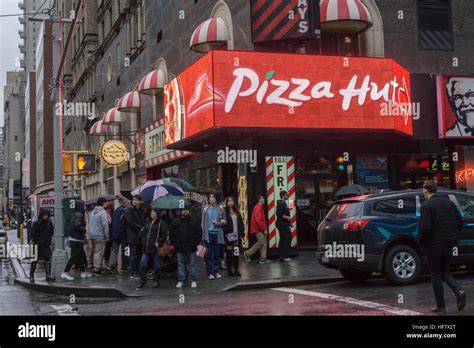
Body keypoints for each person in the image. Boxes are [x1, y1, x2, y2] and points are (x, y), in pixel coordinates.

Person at [420, 180, 466, 313]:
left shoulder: (426, 206)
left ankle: (441, 306)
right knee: (445, 272)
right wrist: (453, 236)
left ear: (425, 190)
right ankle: (458, 291)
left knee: (435, 274)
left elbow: (426, 227)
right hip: (449, 243)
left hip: (434, 245)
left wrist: (422, 242)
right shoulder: (449, 203)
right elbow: (460, 221)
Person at [169, 206, 202, 288]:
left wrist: (196, 243)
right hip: (180, 247)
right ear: (180, 211)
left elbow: (199, 232)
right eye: (183, 210)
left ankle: (193, 280)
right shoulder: (176, 221)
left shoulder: (194, 220)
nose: (185, 211)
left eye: (187, 210)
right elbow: (171, 233)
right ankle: (181, 281)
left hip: (191, 246)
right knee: (181, 264)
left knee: (192, 264)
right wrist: (175, 243)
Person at [136, 208, 168, 290]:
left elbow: (164, 235)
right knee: (143, 263)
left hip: (155, 248)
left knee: (157, 265)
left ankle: (157, 281)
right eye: (151, 212)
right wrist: (143, 240)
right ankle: (142, 281)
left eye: (154, 212)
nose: (152, 214)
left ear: (157, 214)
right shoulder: (147, 222)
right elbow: (142, 232)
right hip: (146, 248)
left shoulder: (161, 223)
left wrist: (159, 243)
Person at [62, 200, 92, 280]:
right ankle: (65, 272)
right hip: (76, 239)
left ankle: (83, 272)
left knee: (81, 256)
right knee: (74, 257)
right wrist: (84, 230)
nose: (84, 207)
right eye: (83, 205)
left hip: (75, 238)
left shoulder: (76, 214)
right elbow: (77, 225)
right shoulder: (79, 215)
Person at [201, 193, 226, 280]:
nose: (211, 199)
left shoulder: (221, 209)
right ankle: (210, 273)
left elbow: (224, 221)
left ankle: (216, 271)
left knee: (217, 254)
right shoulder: (205, 209)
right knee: (209, 254)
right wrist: (203, 236)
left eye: (213, 197)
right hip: (209, 234)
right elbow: (203, 223)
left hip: (217, 234)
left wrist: (217, 223)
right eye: (210, 197)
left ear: (216, 198)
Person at [29, 209, 54, 283]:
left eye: (46, 215)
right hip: (37, 245)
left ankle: (48, 275)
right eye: (44, 215)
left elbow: (51, 233)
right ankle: (31, 276)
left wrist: (48, 240)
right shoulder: (36, 223)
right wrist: (38, 241)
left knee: (48, 259)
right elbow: (33, 234)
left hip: (46, 244)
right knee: (34, 260)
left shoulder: (49, 223)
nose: (45, 217)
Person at [222, 196, 244, 276]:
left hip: (236, 235)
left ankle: (236, 270)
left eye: (232, 201)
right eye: (229, 201)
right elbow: (223, 224)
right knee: (229, 253)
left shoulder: (237, 211)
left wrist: (242, 233)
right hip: (229, 235)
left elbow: (241, 223)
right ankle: (229, 270)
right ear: (227, 202)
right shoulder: (224, 211)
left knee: (236, 253)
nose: (230, 202)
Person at [244, 195, 270, 264]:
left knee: (264, 243)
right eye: (262, 198)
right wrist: (264, 229)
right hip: (258, 229)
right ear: (259, 200)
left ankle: (263, 259)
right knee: (261, 242)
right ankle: (248, 253)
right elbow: (258, 220)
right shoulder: (258, 208)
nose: (264, 199)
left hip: (259, 228)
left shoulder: (258, 207)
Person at [87, 197, 110, 275]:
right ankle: (97, 269)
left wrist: (89, 235)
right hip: (100, 235)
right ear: (103, 203)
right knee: (98, 252)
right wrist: (107, 236)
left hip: (92, 235)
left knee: (95, 252)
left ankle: (98, 266)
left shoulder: (93, 212)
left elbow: (89, 223)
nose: (106, 204)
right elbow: (104, 225)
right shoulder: (103, 212)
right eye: (106, 202)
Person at [125, 194, 146, 279]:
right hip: (132, 236)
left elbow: (143, 221)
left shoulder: (141, 210)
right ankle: (133, 272)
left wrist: (143, 228)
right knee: (133, 255)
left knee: (139, 254)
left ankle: (138, 271)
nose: (134, 201)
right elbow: (130, 222)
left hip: (140, 236)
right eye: (133, 200)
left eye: (136, 200)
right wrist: (140, 228)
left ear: (140, 201)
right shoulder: (129, 210)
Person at [108, 197, 129, 273]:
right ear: (124, 203)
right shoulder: (125, 211)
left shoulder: (116, 211)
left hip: (115, 234)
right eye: (126, 202)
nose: (127, 203)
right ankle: (125, 265)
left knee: (114, 250)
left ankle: (111, 265)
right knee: (125, 249)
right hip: (123, 234)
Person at [276, 190, 292, 262]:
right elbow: (278, 213)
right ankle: (285, 256)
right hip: (282, 224)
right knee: (288, 238)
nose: (287, 196)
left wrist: (289, 223)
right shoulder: (281, 203)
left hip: (283, 224)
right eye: (286, 195)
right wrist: (286, 217)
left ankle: (281, 256)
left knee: (282, 239)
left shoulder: (282, 203)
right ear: (283, 196)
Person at [103, 204, 113, 271]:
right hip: (106, 234)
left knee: (112, 248)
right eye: (107, 209)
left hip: (111, 233)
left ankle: (111, 260)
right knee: (107, 248)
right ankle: (107, 259)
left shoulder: (113, 215)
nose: (108, 210)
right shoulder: (104, 215)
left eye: (109, 209)